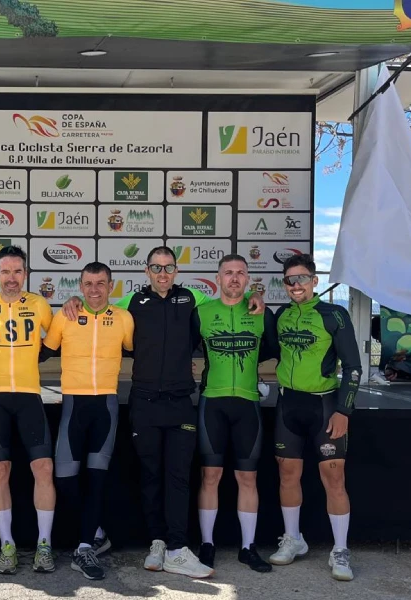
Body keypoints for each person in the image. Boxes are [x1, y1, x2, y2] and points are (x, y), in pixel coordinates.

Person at [59, 246, 264, 579]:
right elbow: (99, 304)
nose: (163, 273)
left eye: (169, 267)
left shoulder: (192, 298)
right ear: (147, 271)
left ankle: (177, 549)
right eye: (156, 268)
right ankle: (157, 543)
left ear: (176, 271)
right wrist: (74, 300)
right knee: (151, 476)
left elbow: (230, 297)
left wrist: (255, 294)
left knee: (178, 477)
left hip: (180, 402)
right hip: (144, 402)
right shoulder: (133, 302)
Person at [38, 261, 133, 581]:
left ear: (111, 286)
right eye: (89, 284)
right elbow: (41, 352)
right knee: (65, 478)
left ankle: (83, 548)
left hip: (106, 405)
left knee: (96, 480)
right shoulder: (65, 316)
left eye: (101, 283)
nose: (95, 290)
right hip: (74, 404)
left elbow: (143, 350)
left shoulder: (123, 318)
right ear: (80, 287)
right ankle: (96, 532)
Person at [268, 254, 360, 582]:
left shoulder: (334, 314)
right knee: (287, 473)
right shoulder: (281, 315)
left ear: (314, 280)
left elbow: (354, 367)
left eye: (302, 278)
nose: (296, 285)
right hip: (288, 405)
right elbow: (268, 349)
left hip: (325, 406)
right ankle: (293, 539)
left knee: (334, 478)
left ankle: (340, 550)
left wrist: (344, 410)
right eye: (289, 280)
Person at [0, 245, 56, 575]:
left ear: (26, 274)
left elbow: (58, 336)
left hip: (29, 395)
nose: (11, 278)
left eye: (17, 271)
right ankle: (7, 546)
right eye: (5, 271)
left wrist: (75, 302)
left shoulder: (39, 304)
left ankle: (44, 545)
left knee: (43, 468)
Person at [190, 254, 277, 573]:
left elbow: (275, 350)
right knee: (210, 476)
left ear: (248, 278)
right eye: (228, 273)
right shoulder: (201, 313)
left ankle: (248, 547)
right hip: (212, 403)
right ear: (218, 279)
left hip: (247, 403)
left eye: (241, 272)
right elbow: (182, 348)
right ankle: (207, 544)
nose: (235, 278)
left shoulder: (262, 313)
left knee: (247, 477)